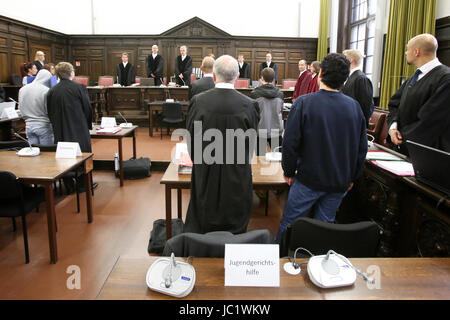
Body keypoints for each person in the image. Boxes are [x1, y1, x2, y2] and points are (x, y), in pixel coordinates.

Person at [276, 53, 367, 242]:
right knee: (325, 227)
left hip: (308, 179)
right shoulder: (355, 107)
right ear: (345, 77)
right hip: (339, 181)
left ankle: (280, 264)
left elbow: (290, 143)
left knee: (291, 224)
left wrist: (288, 171)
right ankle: (315, 265)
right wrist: (352, 176)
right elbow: (361, 148)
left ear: (321, 73)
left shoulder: (304, 103)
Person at [185, 55, 260, 234]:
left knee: (204, 219)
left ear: (215, 75)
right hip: (237, 172)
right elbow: (250, 145)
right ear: (237, 75)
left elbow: (191, 141)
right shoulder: (250, 105)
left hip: (206, 170)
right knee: (236, 224)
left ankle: (204, 254)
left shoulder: (198, 102)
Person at [388, 33, 450, 154]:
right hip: (404, 145)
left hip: (427, 151)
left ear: (416, 52)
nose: (406, 53)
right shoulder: (414, 78)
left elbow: (431, 120)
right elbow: (394, 103)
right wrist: (393, 128)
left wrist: (402, 138)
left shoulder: (445, 78)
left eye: (407, 49)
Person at [47, 62, 93, 193]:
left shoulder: (52, 91)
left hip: (60, 130)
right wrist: (87, 125)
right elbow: (87, 108)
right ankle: (83, 185)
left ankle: (68, 185)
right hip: (78, 128)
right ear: (71, 73)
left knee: (63, 157)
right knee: (83, 156)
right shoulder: (79, 87)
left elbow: (49, 111)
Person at [250, 67, 284, 156]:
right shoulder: (280, 94)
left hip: (260, 130)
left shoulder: (254, 94)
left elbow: (252, 114)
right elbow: (280, 111)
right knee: (277, 162)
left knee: (260, 161)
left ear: (262, 78)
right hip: (276, 130)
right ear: (273, 79)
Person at [18, 69, 54, 145]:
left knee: (33, 154)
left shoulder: (23, 89)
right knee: (46, 154)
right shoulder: (46, 90)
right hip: (44, 125)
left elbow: (20, 107)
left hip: (28, 126)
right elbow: (49, 110)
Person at [342, 49, 374, 127]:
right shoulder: (349, 77)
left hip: (355, 122)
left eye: (344, 58)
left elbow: (366, 105)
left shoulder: (361, 78)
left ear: (350, 60)